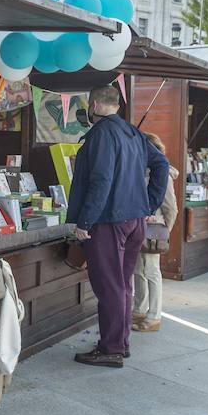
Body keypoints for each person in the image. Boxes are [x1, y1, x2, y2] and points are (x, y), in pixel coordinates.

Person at [66, 85, 168, 368]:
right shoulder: (133, 132)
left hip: (108, 220)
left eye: (88, 103)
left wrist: (84, 221)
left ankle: (111, 348)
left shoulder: (101, 135)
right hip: (135, 220)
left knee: (110, 286)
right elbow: (162, 164)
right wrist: (148, 203)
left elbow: (101, 180)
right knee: (122, 285)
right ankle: (120, 344)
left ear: (95, 104)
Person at [132, 132, 178, 333]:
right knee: (137, 270)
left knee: (151, 271)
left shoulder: (163, 174)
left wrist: (165, 230)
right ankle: (140, 309)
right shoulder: (140, 171)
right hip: (138, 228)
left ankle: (154, 316)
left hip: (153, 230)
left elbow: (171, 208)